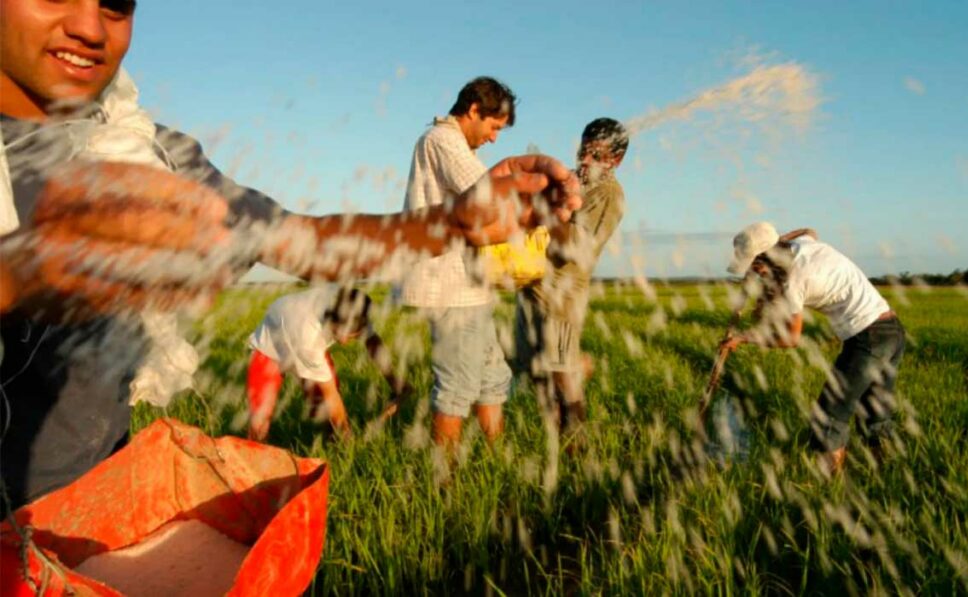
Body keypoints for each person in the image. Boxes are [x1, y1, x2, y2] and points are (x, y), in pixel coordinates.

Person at [0, 1, 580, 511]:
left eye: (115, 5)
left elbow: (302, 240)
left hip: (92, 499)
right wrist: (27, 272)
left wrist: (451, 223)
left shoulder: (147, 151)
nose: (88, 27)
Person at [720, 222, 906, 475]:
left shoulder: (794, 281)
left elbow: (790, 339)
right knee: (875, 411)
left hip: (867, 338)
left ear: (767, 257)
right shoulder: (802, 245)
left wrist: (745, 338)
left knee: (828, 418)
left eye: (756, 266)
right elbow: (808, 230)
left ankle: (830, 487)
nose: (756, 273)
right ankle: (888, 473)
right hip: (892, 331)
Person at [398, 76, 517, 447]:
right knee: (456, 385)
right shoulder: (442, 141)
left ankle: (494, 458)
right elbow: (487, 194)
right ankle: (443, 482)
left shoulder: (455, 146)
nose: (495, 138)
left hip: (469, 286)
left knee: (492, 375)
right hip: (448, 285)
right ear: (474, 111)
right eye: (494, 127)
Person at [515, 118, 630, 438]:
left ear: (616, 160)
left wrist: (546, 206)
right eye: (583, 151)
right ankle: (555, 443)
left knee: (562, 377)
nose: (585, 160)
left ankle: (576, 448)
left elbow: (573, 249)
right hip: (532, 286)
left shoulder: (608, 194)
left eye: (596, 155)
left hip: (561, 297)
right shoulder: (573, 178)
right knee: (535, 373)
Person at [247, 287, 404, 442]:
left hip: (298, 331)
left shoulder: (352, 309)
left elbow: (373, 343)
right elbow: (331, 396)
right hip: (271, 349)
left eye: (351, 335)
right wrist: (348, 441)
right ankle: (255, 454)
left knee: (322, 406)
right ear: (331, 319)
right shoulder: (308, 336)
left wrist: (395, 383)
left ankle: (333, 442)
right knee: (260, 418)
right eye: (338, 333)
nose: (343, 341)